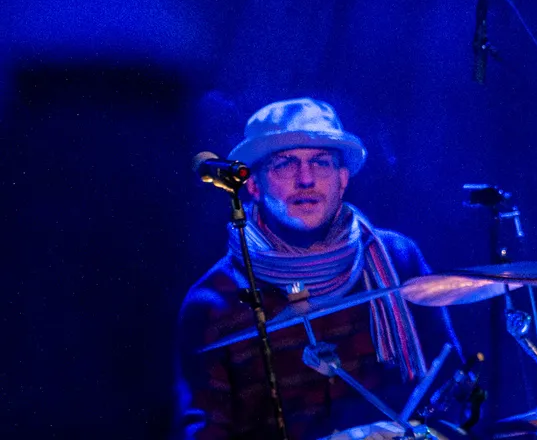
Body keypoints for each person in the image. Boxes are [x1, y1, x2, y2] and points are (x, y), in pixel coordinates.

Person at [174, 98, 461, 440]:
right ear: (253, 185)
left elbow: (453, 390)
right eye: (285, 164)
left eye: (321, 163)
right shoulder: (214, 301)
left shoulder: (398, 259)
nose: (306, 179)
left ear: (342, 179)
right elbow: (203, 432)